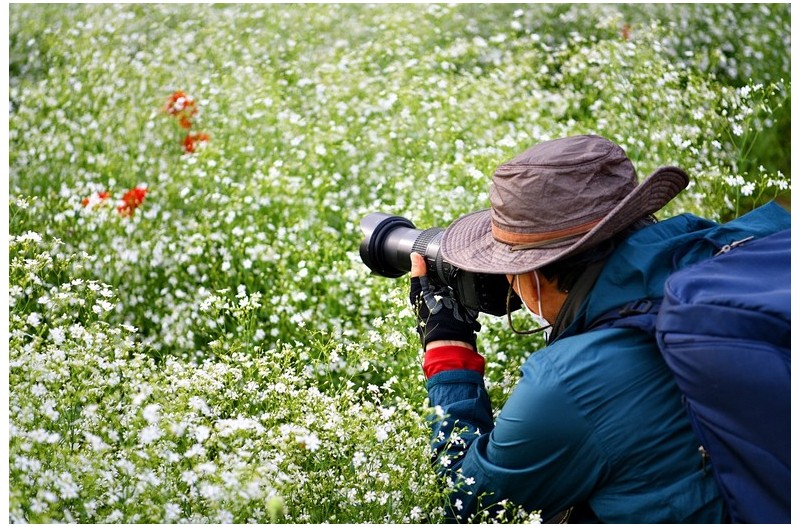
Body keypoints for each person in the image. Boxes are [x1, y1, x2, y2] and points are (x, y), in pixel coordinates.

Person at [407, 135, 788, 523]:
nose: (507, 280)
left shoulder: (567, 383)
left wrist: (447, 349)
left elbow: (469, 504)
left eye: (507, 266)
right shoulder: (738, 253)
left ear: (537, 272)